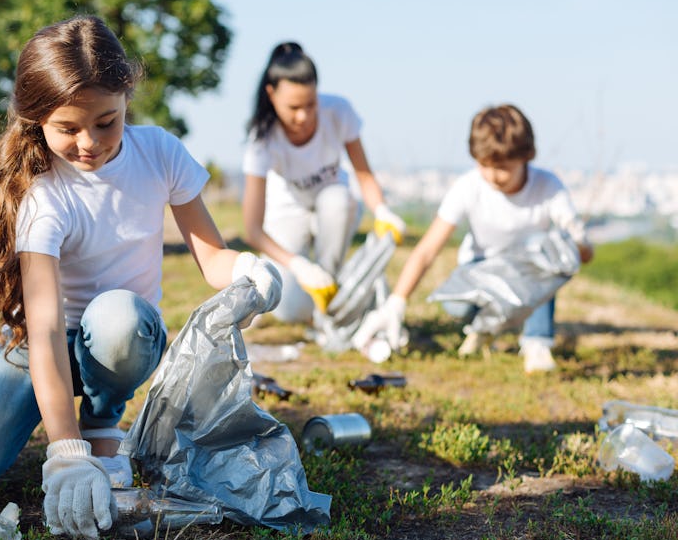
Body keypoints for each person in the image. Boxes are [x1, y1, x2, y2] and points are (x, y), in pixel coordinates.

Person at [0, 15, 280, 540]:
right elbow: (44, 330)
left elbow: (212, 259)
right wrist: (63, 453)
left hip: (119, 338)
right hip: (41, 343)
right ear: (36, 118)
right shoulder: (43, 193)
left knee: (119, 316)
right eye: (68, 128)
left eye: (106, 122)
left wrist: (247, 268)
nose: (90, 142)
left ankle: (103, 426)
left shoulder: (160, 152)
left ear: (126, 99)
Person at [352, 104, 593, 373]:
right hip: (481, 268)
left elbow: (581, 252)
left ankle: (537, 342)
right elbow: (427, 250)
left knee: (546, 256)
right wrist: (396, 301)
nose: (492, 176)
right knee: (455, 305)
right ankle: (484, 328)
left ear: (526, 157)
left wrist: (576, 243)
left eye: (502, 168)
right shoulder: (469, 186)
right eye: (484, 166)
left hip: (529, 271)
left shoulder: (547, 187)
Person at [241, 42, 405, 323]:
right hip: (288, 212)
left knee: (338, 200)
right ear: (271, 94)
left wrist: (381, 210)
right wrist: (299, 266)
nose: (303, 117)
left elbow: (363, 175)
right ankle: (319, 291)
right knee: (292, 310)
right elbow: (253, 229)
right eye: (293, 107)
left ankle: (333, 290)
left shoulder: (338, 111)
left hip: (332, 206)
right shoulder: (262, 141)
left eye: (310, 104)